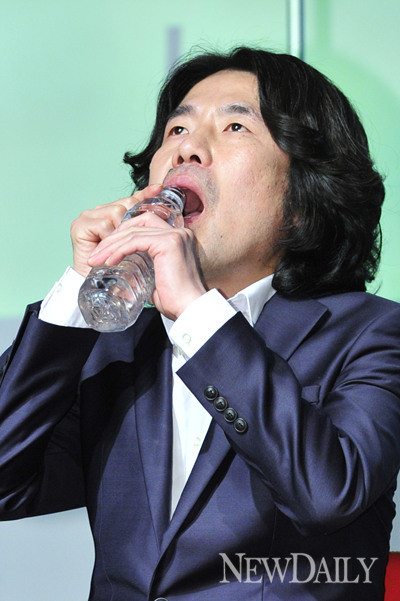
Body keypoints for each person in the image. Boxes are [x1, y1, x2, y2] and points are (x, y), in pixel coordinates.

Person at [0, 46, 399, 601]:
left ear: (303, 199)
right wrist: (77, 290)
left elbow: (327, 493)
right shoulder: (118, 347)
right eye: (177, 129)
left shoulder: (374, 334)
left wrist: (196, 311)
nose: (186, 147)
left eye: (235, 126)